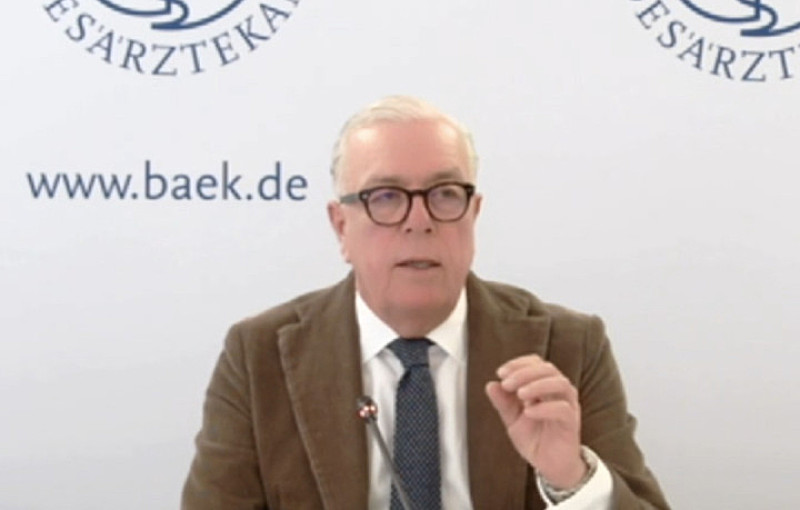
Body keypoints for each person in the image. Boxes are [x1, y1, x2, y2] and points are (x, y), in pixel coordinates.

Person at [182, 95, 670, 509]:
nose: (420, 221)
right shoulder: (260, 355)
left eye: (444, 194)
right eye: (386, 197)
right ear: (341, 226)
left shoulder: (568, 346)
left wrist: (572, 480)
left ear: (473, 214)